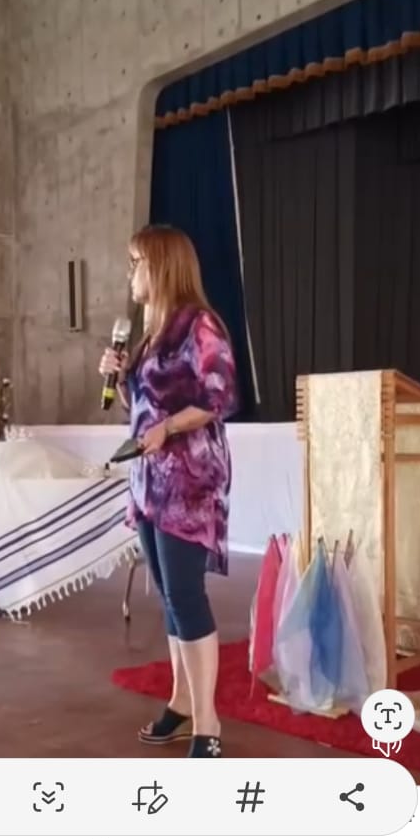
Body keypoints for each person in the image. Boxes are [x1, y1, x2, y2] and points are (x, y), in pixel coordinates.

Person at [99, 224, 237, 758]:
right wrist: (121, 377)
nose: (130, 273)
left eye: (137, 262)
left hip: (189, 485)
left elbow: (218, 398)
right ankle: (181, 702)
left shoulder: (199, 325)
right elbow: (144, 409)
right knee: (170, 598)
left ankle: (208, 724)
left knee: (185, 595)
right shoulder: (151, 334)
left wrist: (169, 428)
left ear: (161, 266)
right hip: (149, 486)